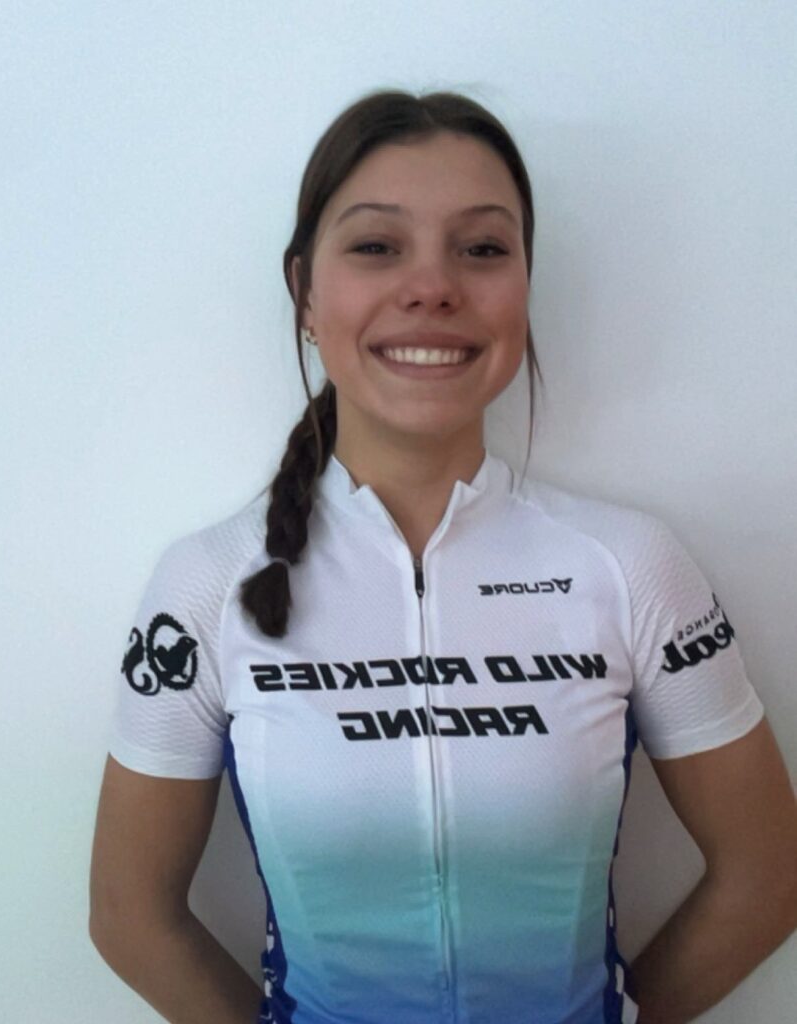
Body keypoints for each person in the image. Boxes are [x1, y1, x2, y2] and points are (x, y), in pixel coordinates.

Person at [88, 88, 797, 1024]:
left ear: (524, 286)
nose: (432, 286)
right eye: (377, 246)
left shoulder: (630, 565)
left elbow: (767, 874)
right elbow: (130, 917)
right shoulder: (207, 586)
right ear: (305, 292)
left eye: (482, 249)